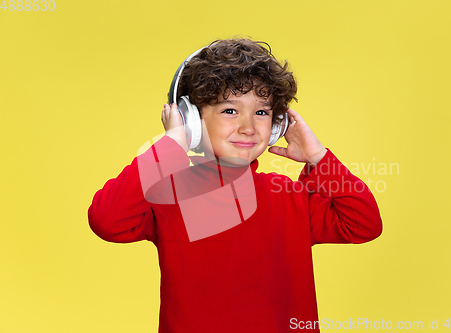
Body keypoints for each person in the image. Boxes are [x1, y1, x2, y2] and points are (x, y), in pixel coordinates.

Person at [88, 38, 383, 333]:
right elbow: (106, 219)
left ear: (277, 125)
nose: (248, 127)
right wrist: (169, 148)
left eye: (261, 112)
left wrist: (318, 158)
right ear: (191, 120)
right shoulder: (168, 197)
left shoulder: (290, 197)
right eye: (230, 110)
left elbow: (363, 223)